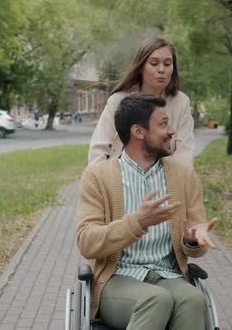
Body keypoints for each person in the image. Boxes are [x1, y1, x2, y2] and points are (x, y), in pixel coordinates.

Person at [76, 94, 218, 329]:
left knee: (194, 300)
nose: (172, 131)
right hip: (117, 278)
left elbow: (196, 249)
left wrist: (192, 241)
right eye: (163, 124)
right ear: (138, 132)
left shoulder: (184, 176)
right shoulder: (97, 177)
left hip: (169, 274)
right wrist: (138, 222)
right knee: (156, 299)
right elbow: (87, 243)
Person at [88, 37, 195, 166]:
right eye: (154, 63)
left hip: (165, 181)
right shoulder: (117, 101)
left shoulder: (181, 102)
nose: (161, 70)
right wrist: (103, 182)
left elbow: (185, 154)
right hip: (119, 179)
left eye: (167, 64)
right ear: (141, 67)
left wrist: (171, 183)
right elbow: (98, 150)